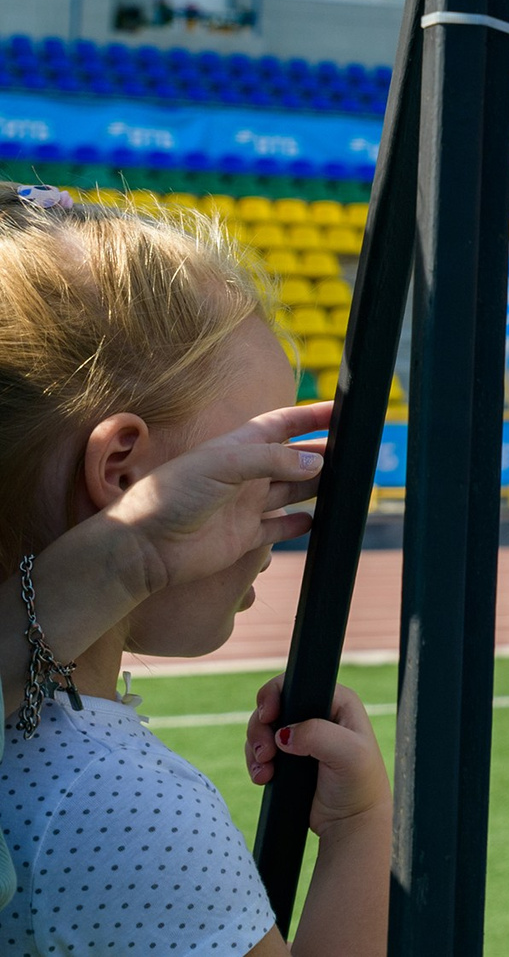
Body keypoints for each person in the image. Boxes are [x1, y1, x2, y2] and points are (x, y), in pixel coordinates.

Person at [0, 186, 387, 956]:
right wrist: (360, 831)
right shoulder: (115, 800)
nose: (276, 522)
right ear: (122, 468)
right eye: (251, 468)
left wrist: (129, 548)